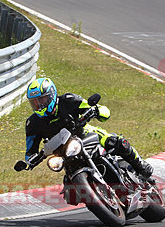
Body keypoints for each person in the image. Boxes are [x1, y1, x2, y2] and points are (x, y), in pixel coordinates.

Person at [22, 77, 154, 179]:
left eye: (42, 100)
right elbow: (30, 152)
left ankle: (142, 166)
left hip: (84, 134)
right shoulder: (33, 123)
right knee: (68, 185)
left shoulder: (68, 100)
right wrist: (30, 161)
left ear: (51, 95)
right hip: (64, 153)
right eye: (35, 102)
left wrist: (97, 111)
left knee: (116, 142)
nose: (39, 105)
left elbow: (95, 109)